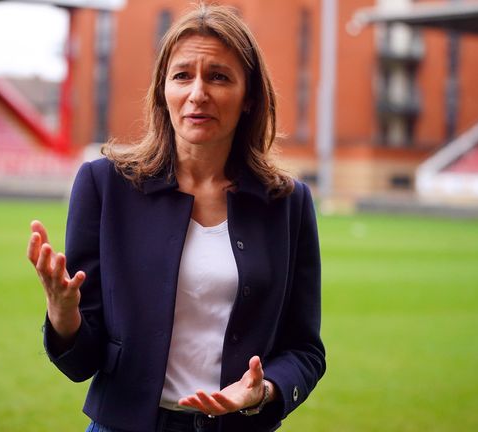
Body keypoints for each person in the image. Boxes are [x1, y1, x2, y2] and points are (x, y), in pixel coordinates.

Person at [27, 4, 325, 431]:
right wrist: (63, 315)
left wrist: (265, 391)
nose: (197, 93)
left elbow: (305, 350)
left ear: (249, 97)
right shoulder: (104, 185)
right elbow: (81, 362)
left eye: (218, 76)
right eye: (183, 75)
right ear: (162, 90)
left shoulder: (288, 203)